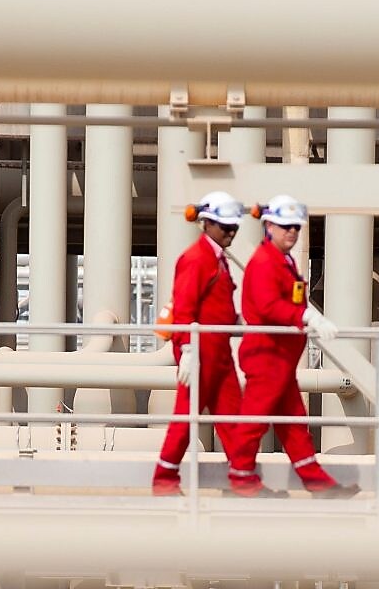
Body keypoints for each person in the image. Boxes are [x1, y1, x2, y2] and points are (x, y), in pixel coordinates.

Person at [226, 194, 360, 499]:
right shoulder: (264, 263)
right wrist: (306, 314)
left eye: (296, 227)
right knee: (254, 422)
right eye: (286, 226)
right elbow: (269, 306)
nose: (292, 232)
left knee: (294, 425)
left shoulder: (282, 261)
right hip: (267, 357)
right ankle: (240, 482)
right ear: (268, 226)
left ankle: (317, 484)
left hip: (281, 358)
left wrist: (303, 314)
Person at [152, 191, 247, 496]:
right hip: (200, 349)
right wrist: (189, 352)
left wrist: (240, 324)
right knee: (186, 416)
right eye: (225, 226)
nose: (230, 232)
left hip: (218, 350)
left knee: (233, 416)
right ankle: (164, 479)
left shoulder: (216, 258)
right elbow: (185, 306)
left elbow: (215, 305)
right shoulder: (196, 259)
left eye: (234, 227)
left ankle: (242, 480)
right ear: (206, 223)